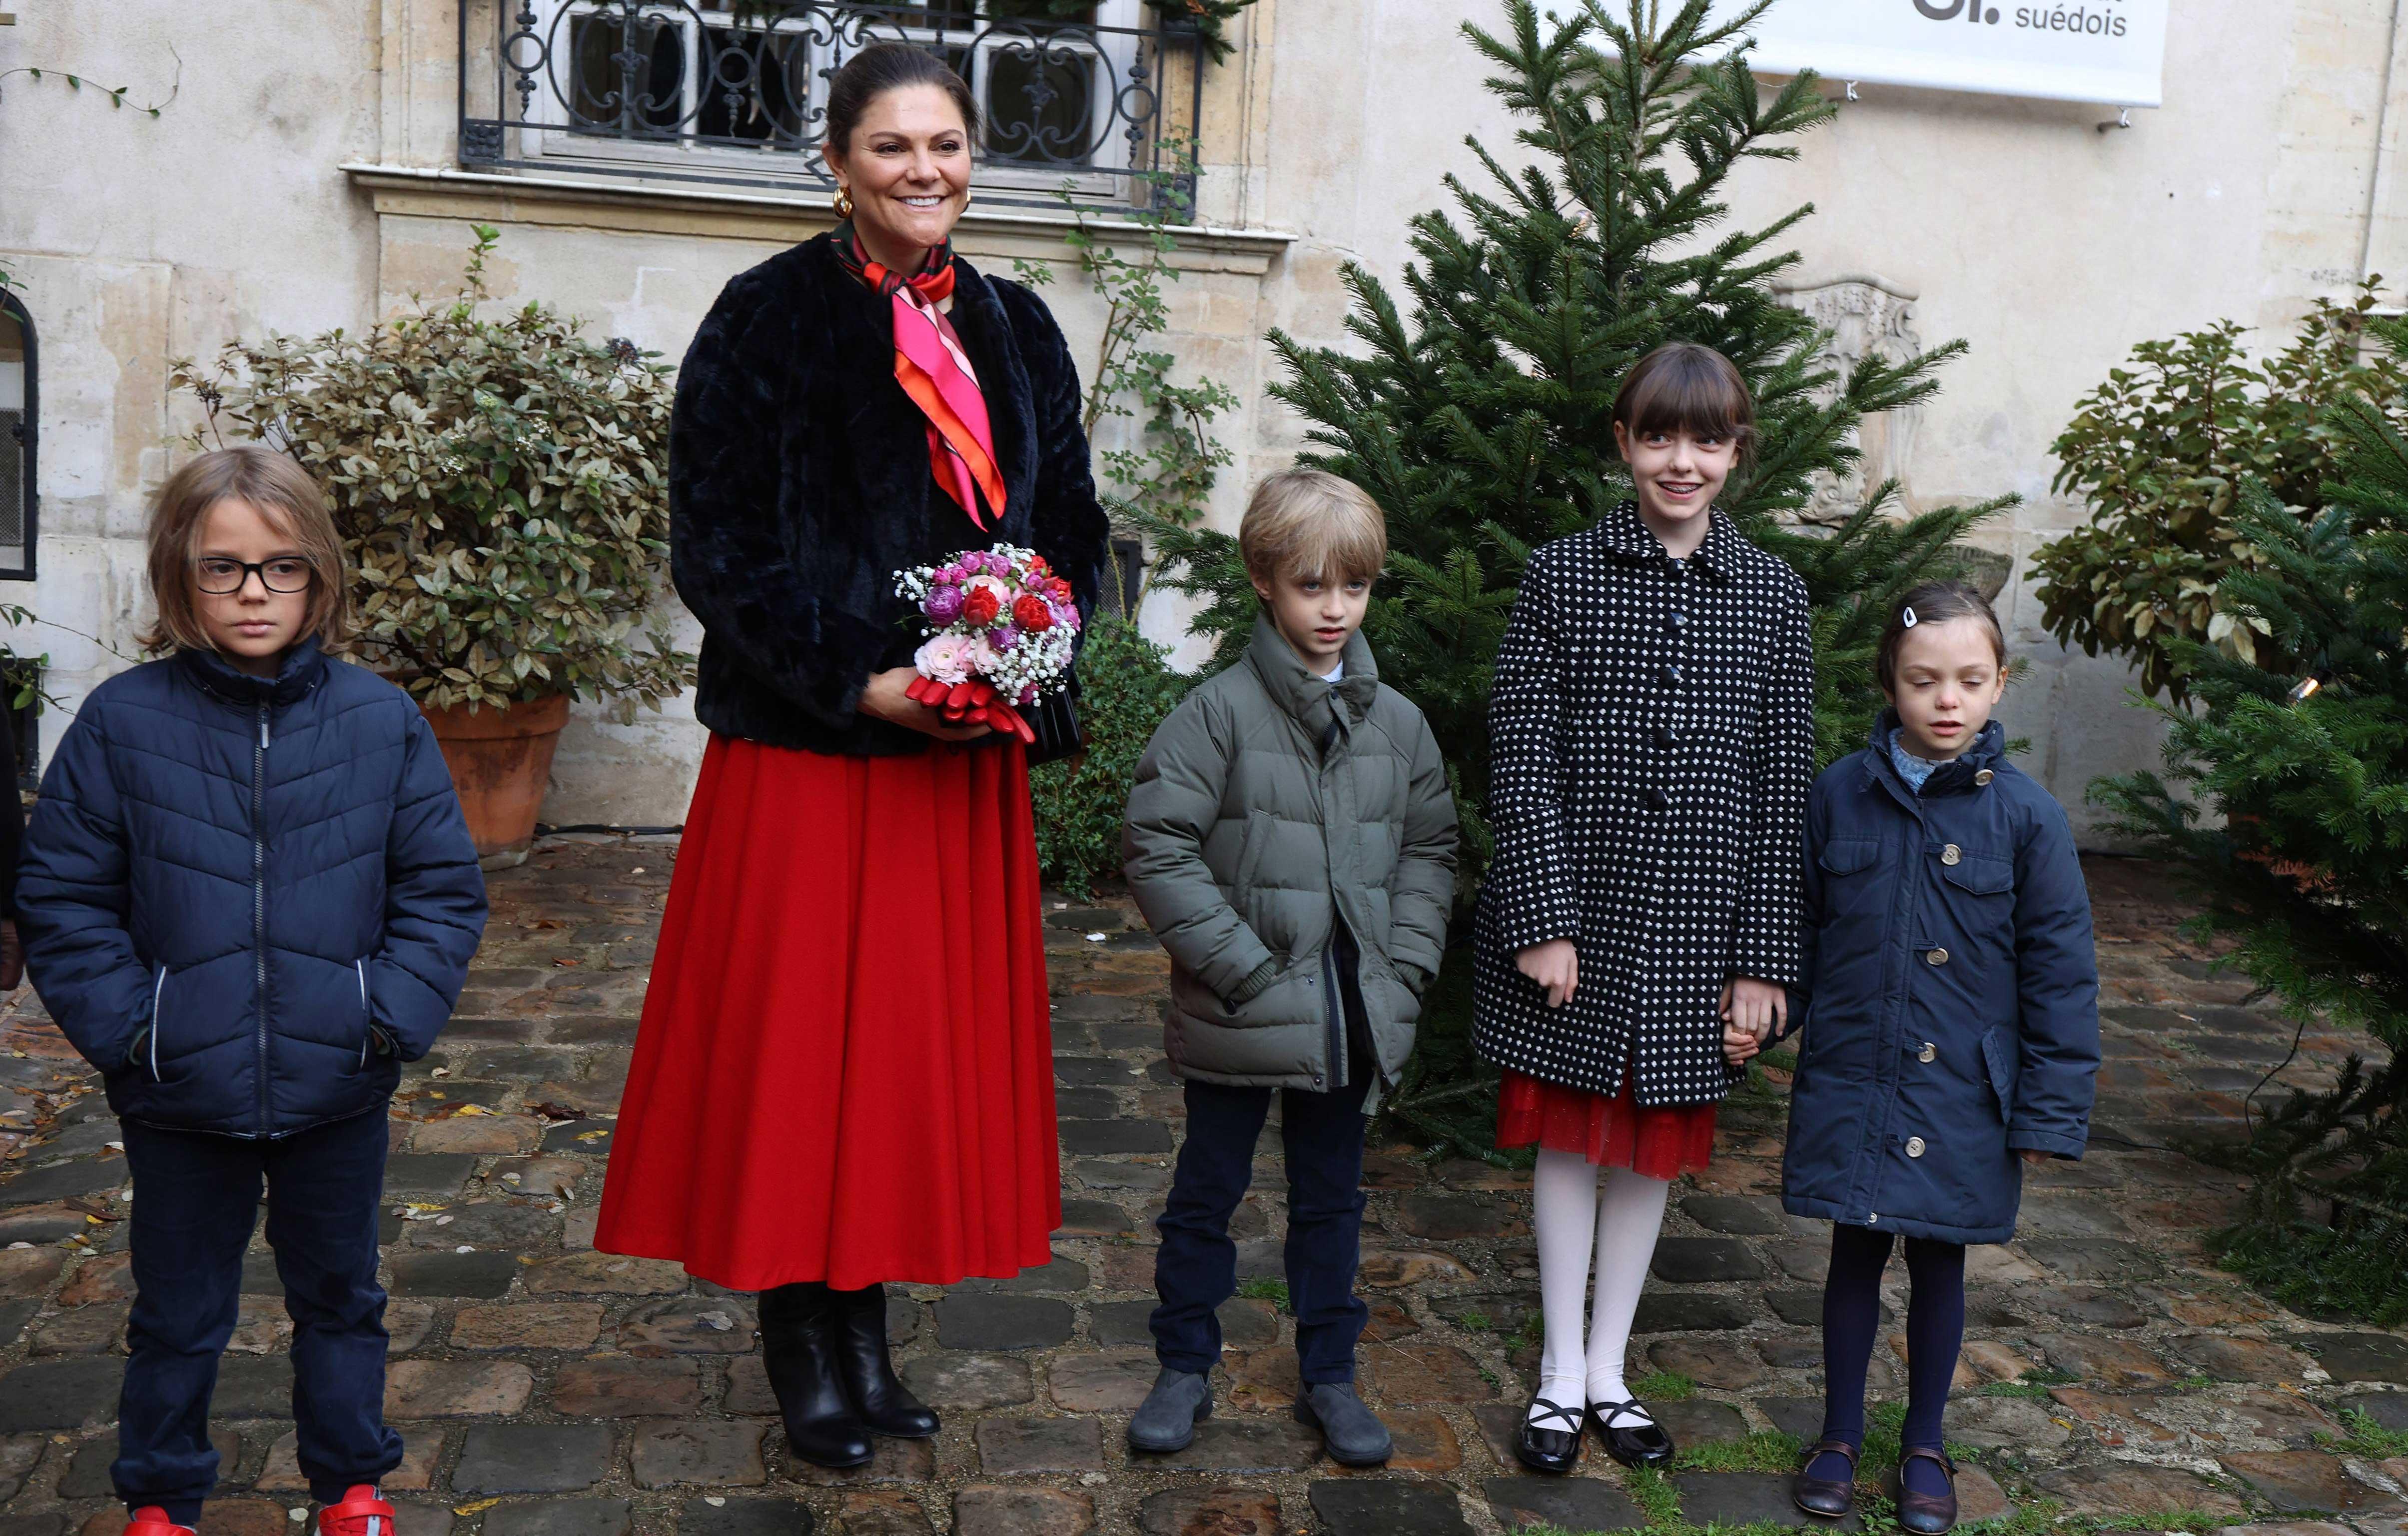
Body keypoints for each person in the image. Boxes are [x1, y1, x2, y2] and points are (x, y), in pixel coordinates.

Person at [591, 42, 1110, 1469]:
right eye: (892, 147)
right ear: (836, 162)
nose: (924, 170)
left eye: (945, 144)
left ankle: (867, 1334)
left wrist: (1014, 648)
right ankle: (799, 1344)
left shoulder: (1016, 326)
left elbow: (1071, 525)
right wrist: (857, 680)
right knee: (801, 1049)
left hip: (956, 761)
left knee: (897, 1060)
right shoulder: (764, 318)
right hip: (813, 753)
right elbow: (721, 547)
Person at [15, 446, 487, 1536]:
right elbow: (66, 898)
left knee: (342, 1296)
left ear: (318, 576)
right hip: (179, 1089)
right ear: (181, 576)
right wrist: (138, 1031)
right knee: (178, 1309)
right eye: (223, 568)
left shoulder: (380, 721)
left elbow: (440, 890)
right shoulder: (124, 724)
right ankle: (163, 1496)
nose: (253, 593)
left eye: (279, 568)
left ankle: (350, 1481)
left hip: (338, 1082)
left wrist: (386, 1016)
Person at [1473, 342, 1814, 1476]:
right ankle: (1558, 1379)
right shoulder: (1563, 573)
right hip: (1584, 913)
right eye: (1659, 437)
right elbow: (1521, 756)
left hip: (1702, 925)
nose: (1683, 462)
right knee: (1571, 1138)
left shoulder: (1772, 595)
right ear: (1623, 443)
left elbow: (1781, 788)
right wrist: (1541, 915)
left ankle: (1612, 1369)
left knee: (1652, 1153)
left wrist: (1762, 960)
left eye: (1706, 441)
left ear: (1734, 451)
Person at [1119, 469, 1458, 1467]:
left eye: (1352, 588)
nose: (1334, 609)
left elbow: (1429, 849)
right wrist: (1241, 969)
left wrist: (1402, 967)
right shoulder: (1216, 715)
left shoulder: (1395, 723)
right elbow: (1157, 845)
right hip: (1244, 1007)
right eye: (1312, 587)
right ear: (1263, 580)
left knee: (1330, 1199)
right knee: (1206, 1193)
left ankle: (1331, 1374)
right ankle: (1183, 1361)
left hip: (1352, 1011)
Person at [1773, 581, 2099, 1534]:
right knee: (1852, 1255)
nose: (1945, 701)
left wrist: (2047, 1110)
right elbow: (1799, 928)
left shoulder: (2029, 820)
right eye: (1923, 682)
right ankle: (1837, 1432)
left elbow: (2063, 974)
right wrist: (1769, 1008)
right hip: (1859, 1073)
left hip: (1966, 1089)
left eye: (1967, 680)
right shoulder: (1839, 792)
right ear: (1892, 684)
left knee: (1941, 1264)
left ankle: (1924, 1439)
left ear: (2000, 683)